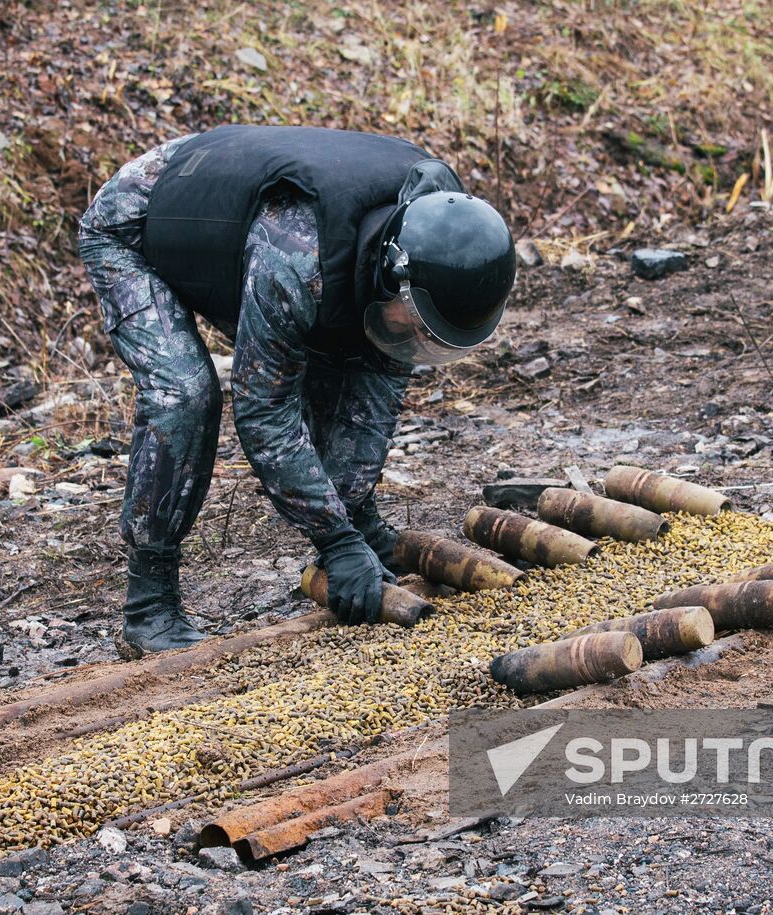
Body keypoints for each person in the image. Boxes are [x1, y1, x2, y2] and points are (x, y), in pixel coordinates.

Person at [77, 125, 516, 656]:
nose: (420, 341)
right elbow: (265, 412)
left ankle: (361, 522)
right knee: (186, 395)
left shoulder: (448, 226)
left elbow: (372, 394)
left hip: (264, 211)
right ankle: (149, 601)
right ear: (391, 276)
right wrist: (333, 540)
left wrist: (349, 521)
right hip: (139, 219)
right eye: (420, 323)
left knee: (363, 351)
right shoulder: (296, 261)